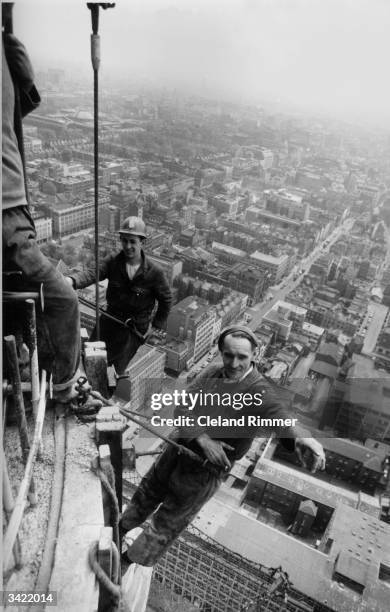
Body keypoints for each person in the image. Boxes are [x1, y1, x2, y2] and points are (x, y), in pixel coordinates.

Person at [120, 325, 326, 566]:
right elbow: (182, 408)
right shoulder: (212, 373)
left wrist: (301, 436)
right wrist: (203, 439)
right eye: (228, 355)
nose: (234, 363)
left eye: (242, 357)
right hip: (176, 451)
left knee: (166, 524)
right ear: (221, 352)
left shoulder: (258, 390)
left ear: (254, 356)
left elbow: (278, 413)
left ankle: (124, 564)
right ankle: (117, 533)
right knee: (146, 494)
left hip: (202, 473)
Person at [2, 11, 87, 404]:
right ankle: (63, 388)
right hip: (7, 212)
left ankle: (21, 369)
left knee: (16, 299)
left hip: (12, 209)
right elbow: (28, 96)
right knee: (61, 300)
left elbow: (25, 98)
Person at [67, 216, 172, 373]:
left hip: (133, 329)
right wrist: (71, 281)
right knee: (89, 356)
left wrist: (156, 326)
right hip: (110, 318)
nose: (127, 246)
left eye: (132, 241)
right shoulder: (113, 261)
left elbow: (166, 299)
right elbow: (93, 273)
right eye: (124, 241)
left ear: (142, 243)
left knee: (111, 371)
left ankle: (102, 394)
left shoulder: (154, 272)